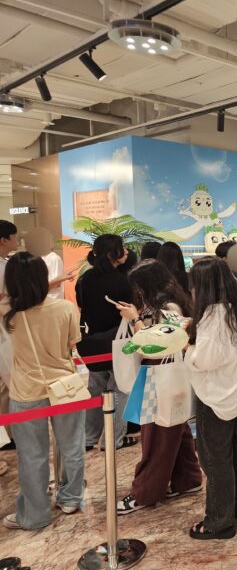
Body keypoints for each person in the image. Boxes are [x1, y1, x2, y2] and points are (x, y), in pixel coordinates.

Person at [1, 253, 84, 530]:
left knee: (32, 455)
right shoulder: (64, 308)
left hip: (26, 390)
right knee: (72, 446)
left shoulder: (8, 313)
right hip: (65, 386)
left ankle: (35, 515)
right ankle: (71, 498)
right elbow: (71, 345)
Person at [114, 261, 202, 515]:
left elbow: (157, 346)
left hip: (162, 378)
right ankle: (188, 479)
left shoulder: (168, 308)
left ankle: (145, 492)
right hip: (167, 377)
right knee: (175, 431)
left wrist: (135, 320)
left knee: (157, 438)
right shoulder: (171, 305)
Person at [184, 257, 237, 540]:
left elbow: (206, 359)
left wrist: (188, 350)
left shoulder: (212, 316)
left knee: (215, 459)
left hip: (216, 396)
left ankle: (219, 521)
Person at [76, 235, 132, 451]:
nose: (125, 251)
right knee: (119, 390)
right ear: (111, 253)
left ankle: (89, 437)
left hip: (91, 342)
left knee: (95, 389)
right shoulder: (121, 280)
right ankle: (112, 439)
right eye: (122, 248)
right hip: (117, 342)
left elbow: (82, 304)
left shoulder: (85, 278)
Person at [0, 220, 19, 455]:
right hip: (4, 332)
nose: (16, 241)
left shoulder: (6, 264)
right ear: (3, 240)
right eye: (14, 237)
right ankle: (8, 433)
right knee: (6, 384)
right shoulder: (4, 268)